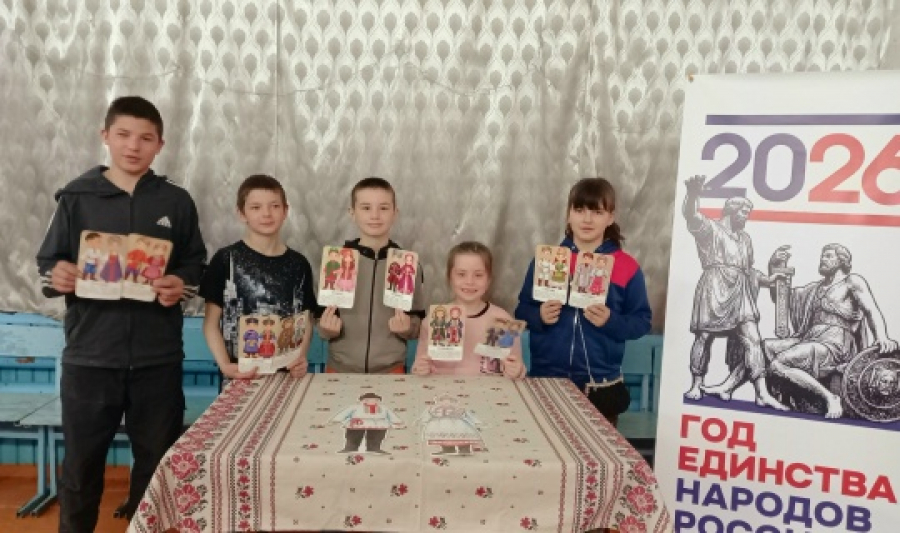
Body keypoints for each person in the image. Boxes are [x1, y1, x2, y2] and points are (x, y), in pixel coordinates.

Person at [36, 96, 207, 532]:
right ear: (105, 137)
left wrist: (180, 283)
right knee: (80, 468)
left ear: (160, 145)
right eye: (124, 135)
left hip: (157, 359)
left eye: (146, 138)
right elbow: (48, 264)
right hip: (90, 359)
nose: (134, 146)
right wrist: (60, 275)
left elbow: (194, 264)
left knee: (157, 465)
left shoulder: (176, 201)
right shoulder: (76, 198)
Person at [515, 177, 650, 426]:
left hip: (600, 385)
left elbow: (641, 321)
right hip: (548, 380)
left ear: (610, 218)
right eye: (579, 210)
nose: (587, 219)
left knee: (599, 451)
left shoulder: (626, 267)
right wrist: (539, 316)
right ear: (568, 214)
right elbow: (522, 310)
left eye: (597, 212)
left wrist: (611, 321)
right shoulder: (547, 261)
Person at [680, 175, 786, 410]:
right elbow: (690, 215)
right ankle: (696, 384)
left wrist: (768, 280)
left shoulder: (745, 239)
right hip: (714, 286)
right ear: (731, 210)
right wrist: (693, 194)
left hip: (740, 291)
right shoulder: (710, 229)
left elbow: (749, 271)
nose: (746, 217)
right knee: (704, 337)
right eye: (744, 212)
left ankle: (762, 392)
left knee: (754, 339)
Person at [199, 174, 316, 380]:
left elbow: (306, 320)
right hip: (239, 375)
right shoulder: (226, 259)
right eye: (256, 207)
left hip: (286, 376)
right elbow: (211, 323)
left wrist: (300, 357)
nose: (266, 214)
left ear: (285, 211)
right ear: (241, 213)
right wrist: (225, 364)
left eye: (274, 206)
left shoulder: (299, 264)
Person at [317, 177, 425, 373]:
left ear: (395, 213)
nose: (375, 215)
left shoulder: (407, 265)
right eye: (366, 208)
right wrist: (326, 329)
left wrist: (408, 327)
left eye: (383, 208)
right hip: (339, 369)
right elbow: (320, 318)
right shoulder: (337, 261)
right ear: (352, 213)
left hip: (391, 371)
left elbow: (418, 320)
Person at [412, 241, 526, 379]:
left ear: (489, 279)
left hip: (489, 391)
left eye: (478, 275)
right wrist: (421, 368)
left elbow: (517, 368)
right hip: (442, 390)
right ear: (449, 277)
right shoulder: (434, 319)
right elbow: (419, 366)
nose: (470, 282)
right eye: (461, 274)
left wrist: (515, 370)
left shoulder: (504, 320)